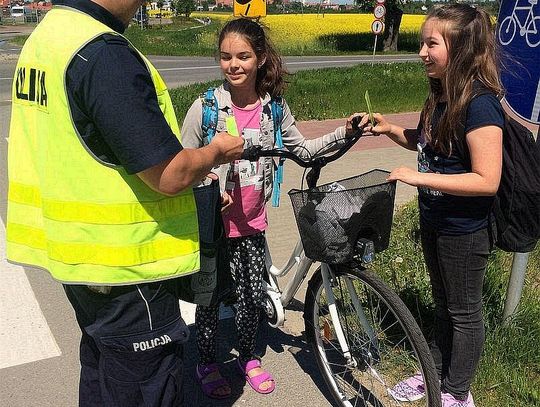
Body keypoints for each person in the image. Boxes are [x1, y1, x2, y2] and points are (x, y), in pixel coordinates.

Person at [5, 1, 243, 406]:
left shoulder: (49, 35)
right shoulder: (101, 52)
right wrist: (216, 151)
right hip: (128, 268)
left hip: (79, 255)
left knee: (101, 369)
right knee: (143, 384)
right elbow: (169, 173)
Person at [180, 17, 361, 399]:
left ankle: (248, 358)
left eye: (243, 56)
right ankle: (207, 361)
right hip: (214, 225)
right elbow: (184, 164)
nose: (234, 65)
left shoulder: (273, 111)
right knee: (210, 300)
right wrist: (209, 184)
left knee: (249, 300)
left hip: (251, 226)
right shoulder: (206, 108)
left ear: (260, 58)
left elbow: (304, 150)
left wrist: (345, 132)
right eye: (226, 57)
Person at [359, 4, 504, 407]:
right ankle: (434, 374)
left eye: (431, 43)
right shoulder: (440, 94)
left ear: (460, 49)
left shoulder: (481, 104)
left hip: (465, 229)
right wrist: (390, 129)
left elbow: (486, 179)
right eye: (422, 43)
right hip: (435, 219)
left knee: (464, 313)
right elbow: (427, 143)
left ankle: (458, 392)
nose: (422, 52)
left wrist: (417, 177)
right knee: (442, 305)